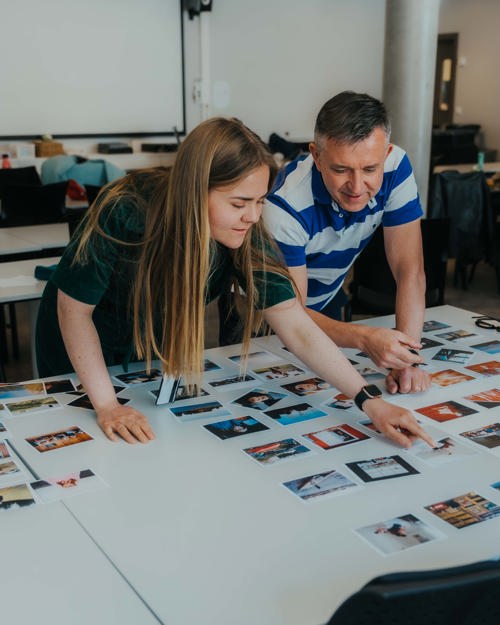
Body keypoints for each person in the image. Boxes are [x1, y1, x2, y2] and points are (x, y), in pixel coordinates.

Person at [35, 116, 435, 448]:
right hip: (79, 347)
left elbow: (293, 322)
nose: (252, 216)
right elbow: (73, 310)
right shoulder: (125, 208)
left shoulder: (243, 232)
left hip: (148, 347)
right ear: (196, 193)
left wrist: (369, 401)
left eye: (259, 201)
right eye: (239, 203)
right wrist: (105, 404)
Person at [263, 91, 431, 396]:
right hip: (266, 316)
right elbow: (291, 315)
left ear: (386, 153)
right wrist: (365, 338)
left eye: (370, 169)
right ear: (316, 155)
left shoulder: (396, 166)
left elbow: (410, 269)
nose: (356, 187)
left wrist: (405, 360)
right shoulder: (284, 207)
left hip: (326, 301)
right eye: (341, 170)